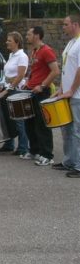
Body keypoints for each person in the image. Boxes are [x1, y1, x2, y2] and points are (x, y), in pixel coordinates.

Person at [23, 26, 59, 166]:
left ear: (37, 36)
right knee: (30, 123)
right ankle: (35, 151)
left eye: (29, 34)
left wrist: (42, 85)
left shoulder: (46, 51)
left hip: (41, 92)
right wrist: (28, 82)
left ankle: (47, 155)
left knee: (42, 124)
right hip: (31, 91)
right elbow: (35, 71)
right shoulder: (34, 51)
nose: (27, 37)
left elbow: (55, 71)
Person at [0, 32, 29, 154]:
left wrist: (8, 90)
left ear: (17, 42)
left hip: (16, 90)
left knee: (19, 120)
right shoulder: (11, 55)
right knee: (7, 119)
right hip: (8, 89)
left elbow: (20, 76)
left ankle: (23, 147)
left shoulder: (22, 56)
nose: (7, 42)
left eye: (9, 40)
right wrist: (3, 85)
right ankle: (9, 144)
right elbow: (8, 74)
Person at [58, 14, 80, 178]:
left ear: (75, 24)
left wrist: (72, 89)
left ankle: (78, 165)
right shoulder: (71, 43)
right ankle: (69, 161)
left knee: (77, 131)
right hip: (67, 93)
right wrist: (61, 88)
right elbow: (66, 68)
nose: (63, 27)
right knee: (67, 130)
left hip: (77, 95)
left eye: (65, 24)